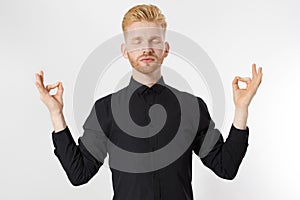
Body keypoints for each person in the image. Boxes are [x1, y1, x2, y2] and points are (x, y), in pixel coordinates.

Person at [35, 4, 263, 200]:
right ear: (125, 51)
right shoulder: (105, 110)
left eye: (154, 40)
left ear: (165, 50)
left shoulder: (191, 107)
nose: (146, 48)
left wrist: (241, 109)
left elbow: (226, 167)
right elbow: (79, 174)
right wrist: (56, 114)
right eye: (137, 41)